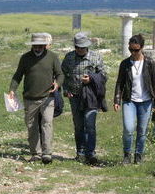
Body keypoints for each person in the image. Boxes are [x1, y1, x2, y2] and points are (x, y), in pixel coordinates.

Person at [9, 33, 64, 164]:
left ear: (45, 45)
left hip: (48, 97)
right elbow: (18, 75)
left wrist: (57, 83)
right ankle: (35, 153)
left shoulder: (53, 57)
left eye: (41, 45)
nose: (38, 48)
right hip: (30, 98)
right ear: (32, 45)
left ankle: (47, 153)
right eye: (36, 46)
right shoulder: (25, 58)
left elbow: (60, 74)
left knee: (47, 123)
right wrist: (12, 89)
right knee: (32, 126)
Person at [62, 32, 107, 165]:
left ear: (87, 46)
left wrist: (91, 78)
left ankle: (91, 154)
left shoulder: (95, 57)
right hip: (74, 96)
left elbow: (104, 75)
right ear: (75, 47)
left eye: (83, 47)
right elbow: (62, 74)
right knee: (78, 125)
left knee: (90, 124)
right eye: (78, 47)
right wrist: (65, 90)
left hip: (90, 97)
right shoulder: (69, 57)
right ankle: (80, 152)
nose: (80, 50)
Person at [114, 34, 155, 164]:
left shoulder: (150, 63)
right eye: (130, 49)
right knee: (128, 128)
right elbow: (119, 83)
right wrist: (117, 100)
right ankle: (127, 154)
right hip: (129, 100)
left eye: (136, 50)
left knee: (142, 131)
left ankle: (139, 155)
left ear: (142, 48)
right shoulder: (125, 64)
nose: (133, 52)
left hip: (146, 101)